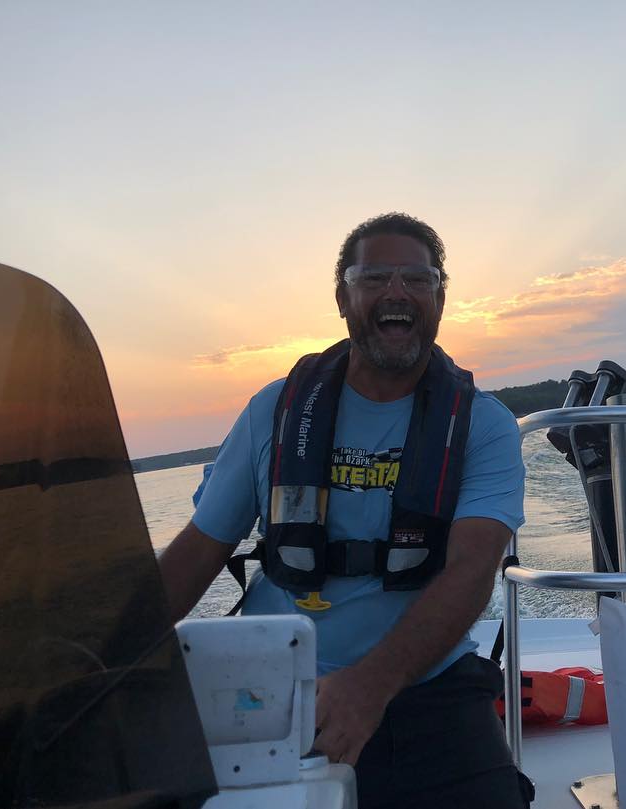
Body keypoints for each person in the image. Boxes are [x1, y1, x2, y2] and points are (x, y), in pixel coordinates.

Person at [158, 213, 532, 808]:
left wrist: (372, 685)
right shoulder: (274, 413)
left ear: (439, 299)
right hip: (272, 688)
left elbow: (470, 571)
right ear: (342, 297)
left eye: (418, 278)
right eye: (375, 276)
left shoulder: (482, 427)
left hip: (423, 683)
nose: (397, 292)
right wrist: (99, 660)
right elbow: (198, 553)